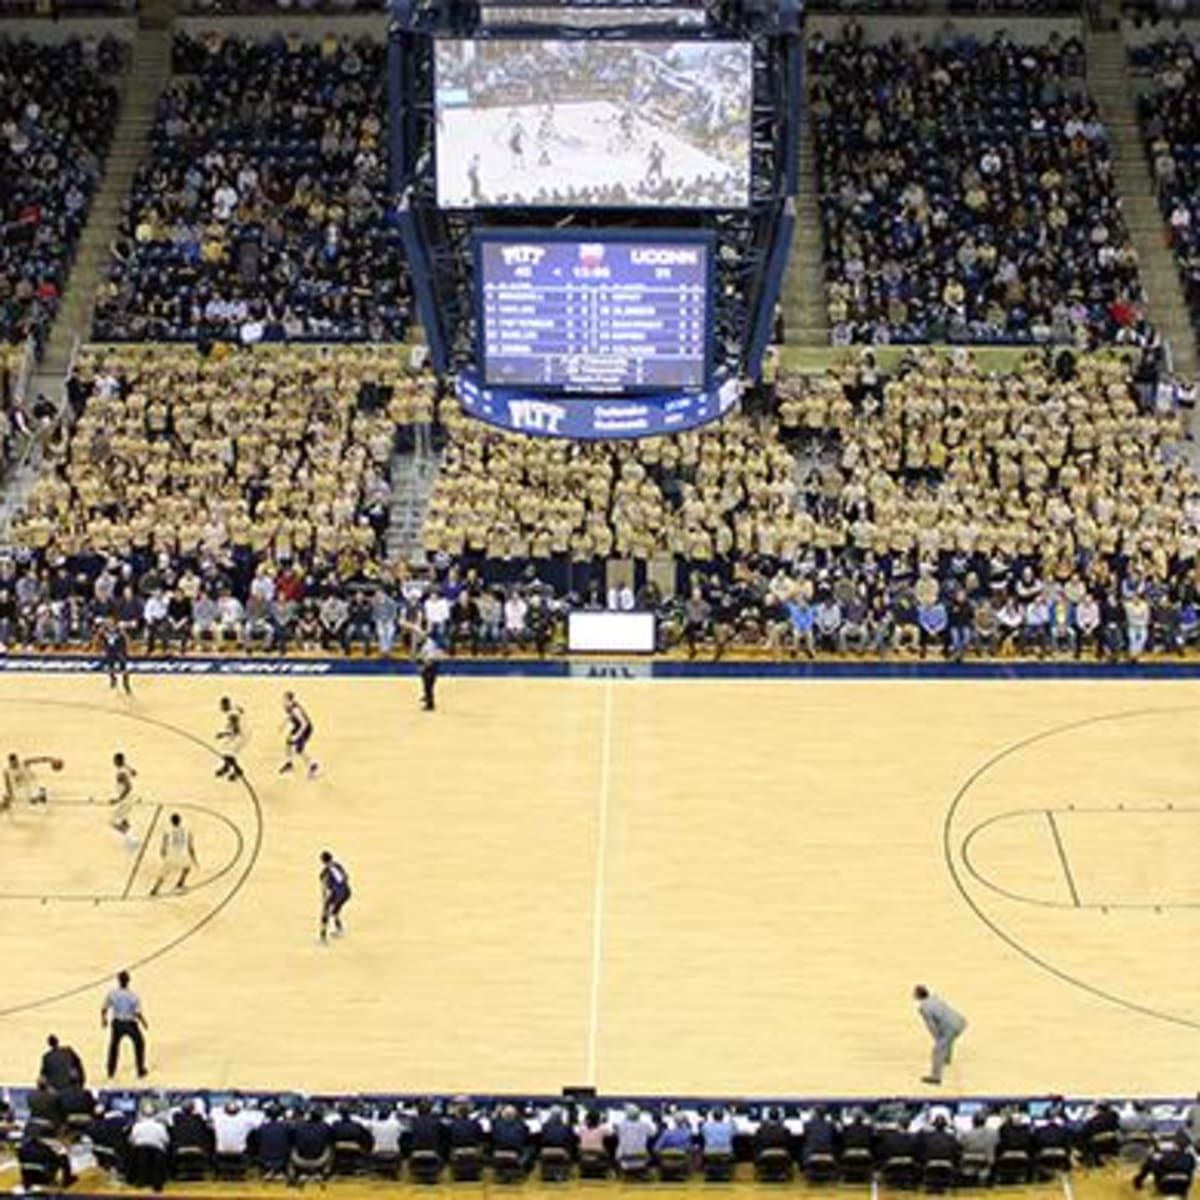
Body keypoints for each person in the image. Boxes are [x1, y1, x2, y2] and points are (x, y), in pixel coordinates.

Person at [913, 984, 966, 1085]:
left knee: (937, 1050)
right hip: (960, 1022)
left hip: (950, 1027)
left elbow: (931, 1025)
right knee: (948, 1040)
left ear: (918, 996)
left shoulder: (924, 1008)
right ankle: (947, 1059)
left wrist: (937, 1038)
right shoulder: (935, 998)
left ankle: (935, 1077)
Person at [101, 969, 148, 1079]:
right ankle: (140, 1070)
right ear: (128, 981)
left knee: (113, 1047)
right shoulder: (133, 996)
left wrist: (103, 1019)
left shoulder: (112, 994)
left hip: (117, 1023)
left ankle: (110, 1070)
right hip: (130, 1023)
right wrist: (143, 1022)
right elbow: (137, 1012)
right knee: (139, 1044)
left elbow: (104, 1008)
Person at [149, 813, 198, 896]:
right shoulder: (187, 830)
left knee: (163, 873)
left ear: (171, 822)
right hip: (182, 856)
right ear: (180, 820)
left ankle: (155, 889)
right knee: (187, 868)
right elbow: (191, 847)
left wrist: (163, 853)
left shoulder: (167, 831)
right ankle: (180, 883)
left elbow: (163, 846)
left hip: (171, 856)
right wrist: (194, 859)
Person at [280, 692, 319, 778]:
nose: (283, 701)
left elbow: (304, 723)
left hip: (305, 729)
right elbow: (290, 716)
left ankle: (313, 766)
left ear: (290, 700)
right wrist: (283, 724)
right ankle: (289, 764)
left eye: (285, 699)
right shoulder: (288, 707)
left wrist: (297, 735)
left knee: (299, 750)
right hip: (298, 726)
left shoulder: (296, 709)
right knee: (288, 742)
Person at [107, 752, 139, 851]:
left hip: (126, 799)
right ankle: (130, 842)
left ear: (117, 761)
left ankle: (132, 839)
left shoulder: (121, 773)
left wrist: (117, 800)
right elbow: (135, 773)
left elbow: (128, 787)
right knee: (125, 821)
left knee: (112, 822)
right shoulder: (126, 768)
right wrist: (126, 765)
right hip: (131, 798)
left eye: (114, 760)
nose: (113, 762)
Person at [319, 850, 351, 942]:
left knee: (326, 911)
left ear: (322, 861)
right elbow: (346, 877)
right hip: (347, 892)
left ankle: (323, 935)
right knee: (335, 912)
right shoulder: (338, 865)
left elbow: (324, 887)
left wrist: (325, 899)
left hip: (338, 893)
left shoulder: (325, 873)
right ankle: (339, 929)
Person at [215, 696, 248, 781]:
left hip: (241, 735)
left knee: (229, 753)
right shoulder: (233, 709)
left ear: (226, 705)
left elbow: (236, 730)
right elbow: (240, 709)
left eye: (222, 706)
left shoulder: (232, 715)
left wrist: (223, 734)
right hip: (239, 733)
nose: (221, 708)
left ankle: (238, 771)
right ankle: (226, 767)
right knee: (225, 750)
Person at [99, 617, 132, 694]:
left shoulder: (119, 629)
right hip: (110, 651)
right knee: (110, 667)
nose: (109, 624)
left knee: (123, 667)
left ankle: (126, 683)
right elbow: (98, 639)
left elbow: (127, 638)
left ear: (114, 622)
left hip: (119, 650)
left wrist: (128, 647)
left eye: (111, 622)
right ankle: (113, 679)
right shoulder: (103, 630)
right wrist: (100, 648)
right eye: (107, 622)